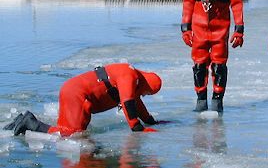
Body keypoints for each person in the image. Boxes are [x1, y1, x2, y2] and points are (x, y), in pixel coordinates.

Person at [4, 63, 163, 136]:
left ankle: (21, 119)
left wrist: (150, 120)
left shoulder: (132, 76)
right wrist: (137, 128)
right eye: (146, 93)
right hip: (77, 94)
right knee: (70, 134)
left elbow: (135, 103)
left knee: (65, 128)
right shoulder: (129, 76)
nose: (143, 96)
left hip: (73, 89)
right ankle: (31, 123)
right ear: (146, 86)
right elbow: (128, 102)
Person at [181, 0, 244, 112]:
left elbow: (236, 4)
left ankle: (217, 101)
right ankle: (201, 100)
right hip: (199, 30)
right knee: (199, 66)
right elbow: (188, 3)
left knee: (219, 66)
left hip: (220, 30)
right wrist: (185, 28)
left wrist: (239, 29)